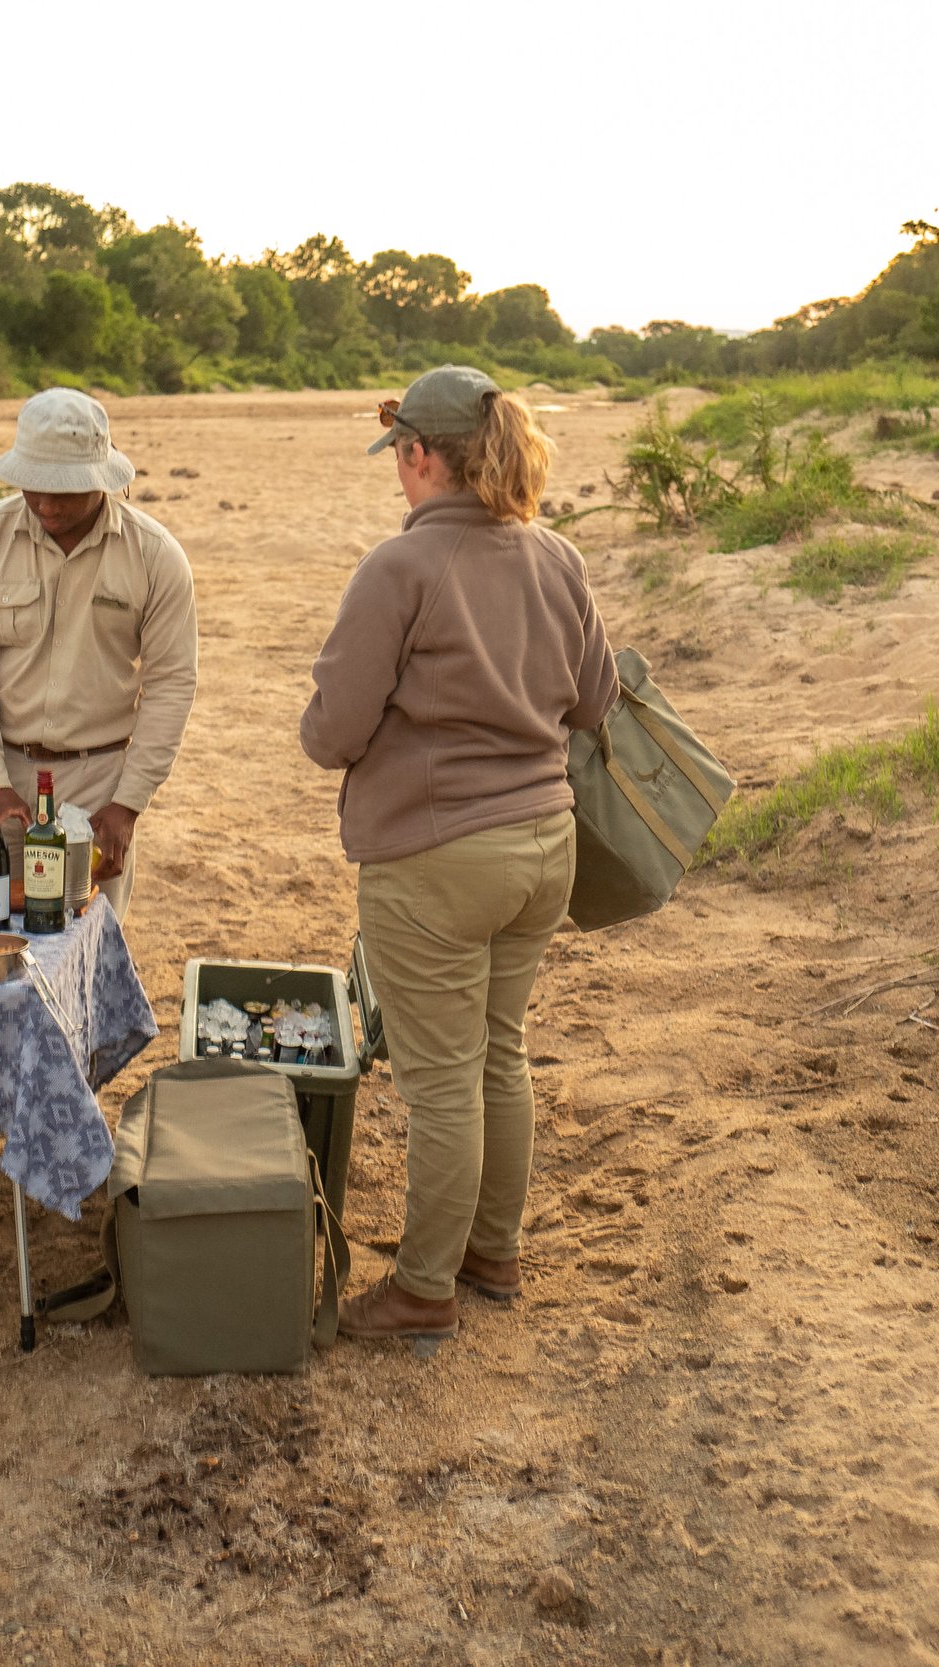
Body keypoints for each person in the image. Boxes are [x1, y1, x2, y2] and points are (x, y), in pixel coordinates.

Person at [302, 365, 619, 1341]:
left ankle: (424, 1290)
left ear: (420, 455)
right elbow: (596, 698)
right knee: (498, 1055)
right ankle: (493, 1250)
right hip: (544, 842)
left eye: (399, 456)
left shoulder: (397, 568)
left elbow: (332, 731)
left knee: (438, 1079)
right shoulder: (555, 556)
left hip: (436, 853)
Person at [0, 388, 198, 920]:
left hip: (97, 784)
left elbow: (172, 683)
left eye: (66, 490)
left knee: (86, 955)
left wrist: (128, 804)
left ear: (103, 478)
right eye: (34, 487)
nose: (48, 505)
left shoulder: (156, 558)